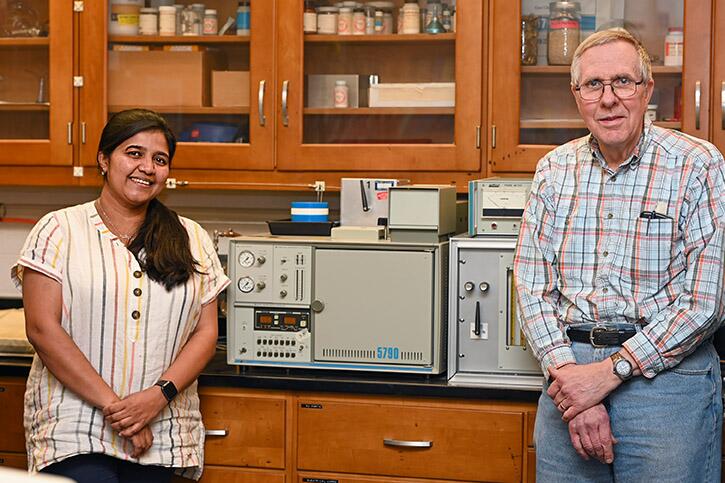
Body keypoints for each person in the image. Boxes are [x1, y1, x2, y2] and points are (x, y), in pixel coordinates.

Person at [514, 28, 725, 482]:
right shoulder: (553, 169)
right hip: (566, 376)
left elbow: (704, 304)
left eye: (622, 82)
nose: (608, 98)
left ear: (647, 89)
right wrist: (572, 382)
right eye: (593, 85)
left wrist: (608, 373)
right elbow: (531, 288)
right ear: (576, 96)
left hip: (667, 384)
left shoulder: (698, 165)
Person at [11, 109, 230, 482]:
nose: (147, 167)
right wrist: (122, 412)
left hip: (164, 429)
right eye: (134, 153)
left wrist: (156, 398)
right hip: (75, 426)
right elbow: (42, 329)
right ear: (104, 159)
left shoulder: (191, 237)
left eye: (159, 159)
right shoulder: (59, 229)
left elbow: (206, 333)